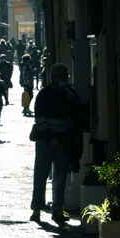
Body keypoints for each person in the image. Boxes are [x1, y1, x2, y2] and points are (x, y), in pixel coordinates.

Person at [30, 62, 81, 229]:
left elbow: (77, 112)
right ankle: (37, 208)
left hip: (63, 142)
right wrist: (50, 137)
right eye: (61, 76)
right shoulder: (44, 95)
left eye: (65, 76)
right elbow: (40, 119)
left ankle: (58, 209)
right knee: (41, 174)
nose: (64, 79)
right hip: (46, 141)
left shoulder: (69, 94)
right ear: (53, 78)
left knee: (61, 177)